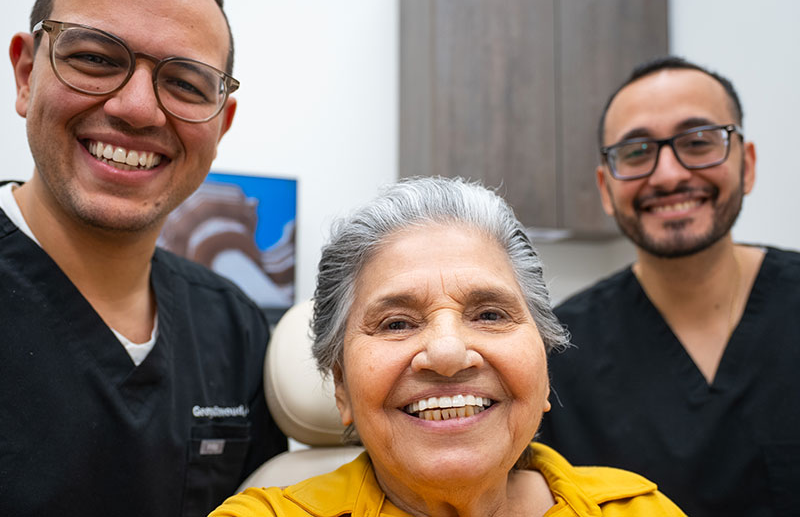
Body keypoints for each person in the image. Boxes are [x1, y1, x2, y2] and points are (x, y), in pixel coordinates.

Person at [209, 176, 685, 517]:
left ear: (543, 368)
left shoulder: (638, 508)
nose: (448, 353)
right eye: (396, 323)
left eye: (490, 315)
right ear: (341, 387)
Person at [0, 0, 286, 516]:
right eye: (93, 57)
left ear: (220, 125)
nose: (138, 109)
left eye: (184, 83)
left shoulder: (233, 329)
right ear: (26, 74)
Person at [539, 56, 800, 516]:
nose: (669, 175)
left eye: (698, 142)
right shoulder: (558, 356)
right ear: (605, 187)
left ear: (748, 165)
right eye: (636, 152)